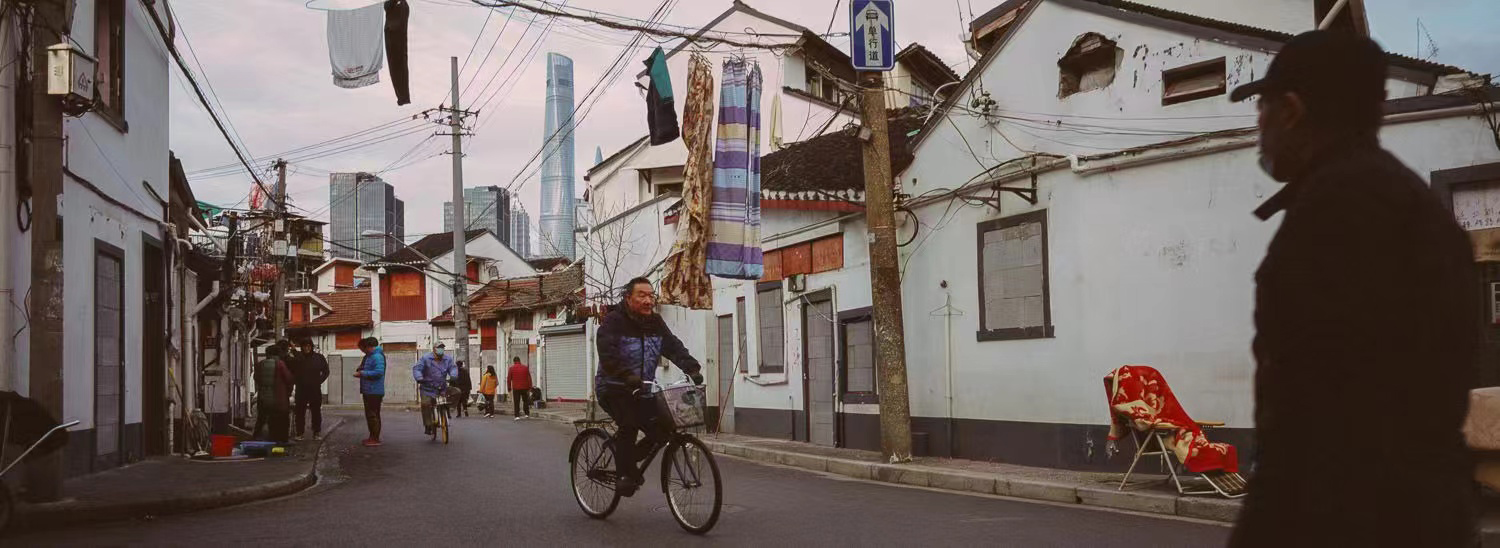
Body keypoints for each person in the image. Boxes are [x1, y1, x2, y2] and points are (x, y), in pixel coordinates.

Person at [1228, 31, 1479, 546]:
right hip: (1433, 515)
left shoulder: (1329, 217)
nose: (1258, 125)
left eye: (1263, 109)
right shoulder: (1418, 207)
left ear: (1292, 111)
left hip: (1345, 519)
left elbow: (1304, 421)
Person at [595, 278, 704, 497]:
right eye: (642, 295)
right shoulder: (614, 321)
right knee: (629, 423)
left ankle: (626, 456)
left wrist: (691, 368)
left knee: (664, 427)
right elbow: (607, 355)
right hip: (613, 387)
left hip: (642, 389)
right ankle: (625, 473)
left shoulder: (655, 322)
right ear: (629, 298)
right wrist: (626, 375)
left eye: (651, 296)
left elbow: (672, 346)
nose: (648, 301)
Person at [253, 343, 295, 444]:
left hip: (263, 398)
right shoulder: (280, 364)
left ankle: (257, 437)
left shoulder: (261, 364)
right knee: (282, 419)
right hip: (278, 398)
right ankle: (282, 440)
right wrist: (288, 392)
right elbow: (288, 379)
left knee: (262, 419)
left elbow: (256, 378)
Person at [413, 342, 458, 435]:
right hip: (427, 387)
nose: (441, 349)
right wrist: (419, 378)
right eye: (439, 347)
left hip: (442, 387)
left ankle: (448, 409)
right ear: (434, 349)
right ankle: (428, 425)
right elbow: (417, 369)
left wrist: (453, 376)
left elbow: (453, 368)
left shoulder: (448, 359)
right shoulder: (426, 358)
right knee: (426, 404)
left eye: (442, 348)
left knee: (457, 392)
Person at [290, 338, 330, 441]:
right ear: (302, 347)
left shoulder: (319, 358)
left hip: (315, 389)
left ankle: (316, 433)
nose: (306, 348)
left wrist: (319, 381)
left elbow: (326, 371)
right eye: (304, 346)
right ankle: (300, 433)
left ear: (311, 347)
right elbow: (292, 371)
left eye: (309, 346)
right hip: (301, 389)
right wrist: (296, 381)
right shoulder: (298, 358)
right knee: (300, 413)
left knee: (316, 412)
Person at [353, 337, 386, 447]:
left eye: (364, 348)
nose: (363, 351)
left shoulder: (377, 356)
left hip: (374, 391)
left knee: (373, 415)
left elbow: (379, 372)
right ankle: (372, 437)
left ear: (369, 347)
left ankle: (375, 438)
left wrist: (362, 373)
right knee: (371, 415)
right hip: (369, 390)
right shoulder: (370, 357)